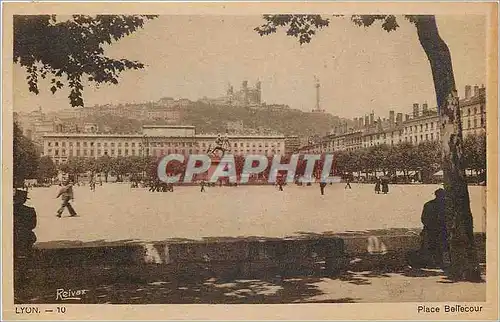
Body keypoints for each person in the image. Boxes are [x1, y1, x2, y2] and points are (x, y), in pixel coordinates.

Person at [13, 189, 37, 288]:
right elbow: (33, 225)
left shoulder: (7, 210)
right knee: (25, 257)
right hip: (25, 236)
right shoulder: (30, 210)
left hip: (13, 236)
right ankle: (22, 276)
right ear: (24, 200)